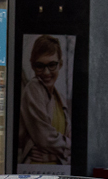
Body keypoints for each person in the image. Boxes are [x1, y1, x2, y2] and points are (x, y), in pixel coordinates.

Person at [18, 35, 71, 165]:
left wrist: (52, 157)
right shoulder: (33, 87)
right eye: (40, 66)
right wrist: (69, 146)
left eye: (52, 65)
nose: (46, 72)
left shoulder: (59, 98)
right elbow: (45, 138)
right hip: (34, 173)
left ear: (60, 64)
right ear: (32, 66)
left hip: (55, 173)